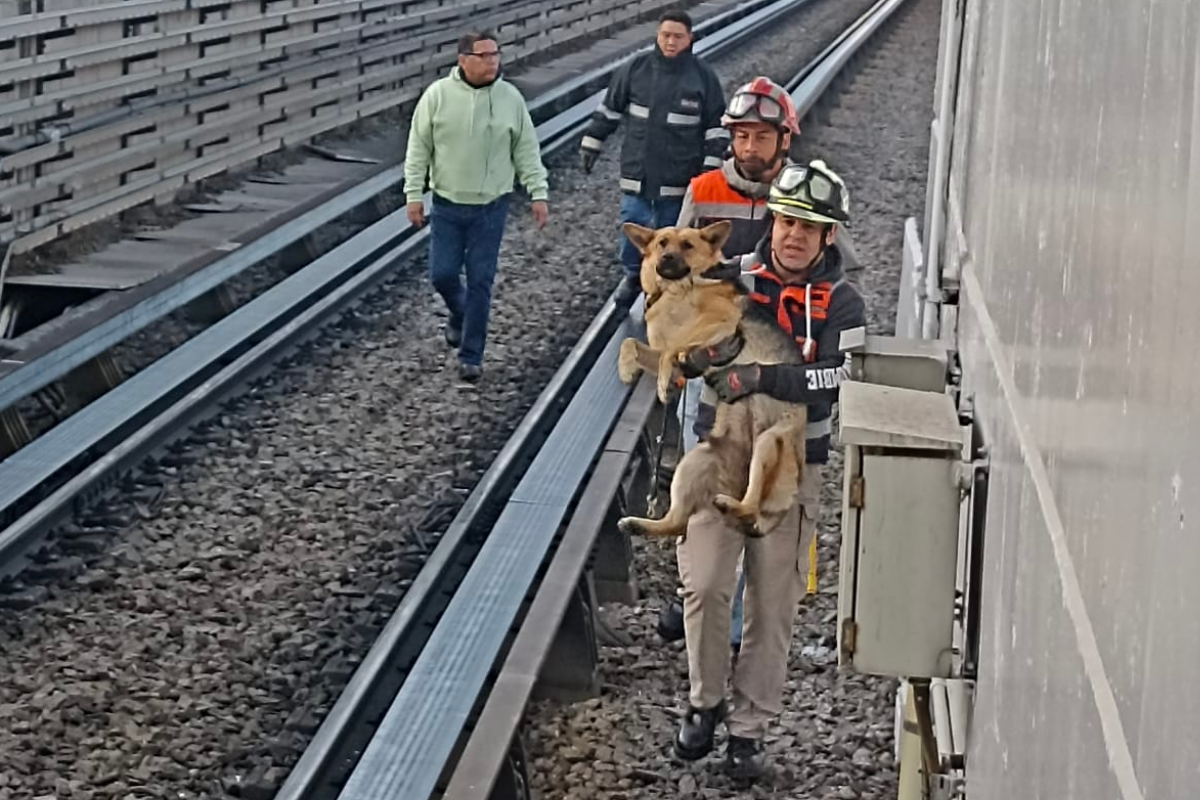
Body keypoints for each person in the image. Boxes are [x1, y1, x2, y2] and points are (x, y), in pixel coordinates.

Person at [672, 160, 867, 781]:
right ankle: (705, 700)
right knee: (704, 584)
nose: (793, 236)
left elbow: (840, 378)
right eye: (786, 221)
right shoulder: (729, 278)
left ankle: (748, 731)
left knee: (772, 605)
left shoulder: (843, 302)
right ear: (771, 223)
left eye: (809, 227)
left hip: (789, 469)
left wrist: (766, 377)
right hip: (719, 452)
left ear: (828, 236)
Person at [656, 77, 801, 653]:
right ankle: (693, 585)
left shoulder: (796, 195)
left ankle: (733, 615)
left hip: (766, 370)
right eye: (741, 136)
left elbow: (832, 268)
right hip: (711, 364)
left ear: (782, 140)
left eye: (761, 136)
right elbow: (673, 268)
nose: (750, 148)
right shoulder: (704, 189)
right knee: (703, 468)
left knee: (752, 483)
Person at [405, 31, 550, 383]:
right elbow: (418, 147)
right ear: (463, 60)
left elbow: (526, 149)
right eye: (483, 56)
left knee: (481, 281)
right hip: (448, 204)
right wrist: (413, 193)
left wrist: (537, 192)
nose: (491, 62)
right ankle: (460, 313)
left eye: (495, 55)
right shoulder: (437, 97)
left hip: (491, 206)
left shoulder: (509, 99)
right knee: (442, 274)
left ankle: (471, 356)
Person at [577, 11, 727, 303]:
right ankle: (633, 277)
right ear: (658, 36)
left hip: (679, 181)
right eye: (665, 35)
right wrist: (592, 142)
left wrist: (710, 169)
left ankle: (669, 295)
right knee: (633, 230)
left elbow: (715, 126)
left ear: (690, 39)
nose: (670, 42)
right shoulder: (636, 69)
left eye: (677, 37)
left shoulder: (703, 78)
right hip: (638, 175)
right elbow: (610, 109)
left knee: (674, 245)